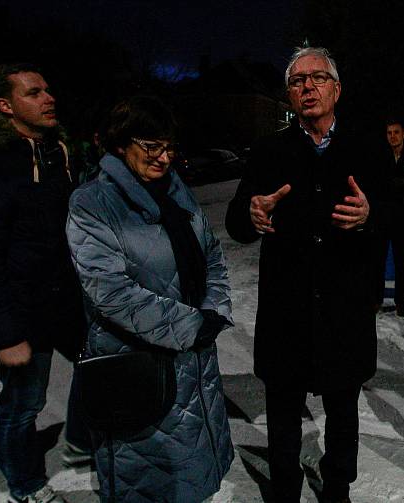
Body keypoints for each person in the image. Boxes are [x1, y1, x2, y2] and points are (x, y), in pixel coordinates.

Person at [225, 46, 376, 503]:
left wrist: (371, 213)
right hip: (286, 310)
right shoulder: (270, 150)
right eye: (296, 81)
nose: (307, 87)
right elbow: (236, 221)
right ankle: (285, 488)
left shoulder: (365, 147)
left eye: (317, 78)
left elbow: (396, 213)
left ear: (336, 89)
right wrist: (251, 214)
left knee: (342, 410)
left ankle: (337, 489)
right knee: (284, 412)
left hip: (343, 308)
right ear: (289, 95)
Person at [65, 95, 234, 502]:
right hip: (137, 364)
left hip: (196, 363)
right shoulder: (92, 203)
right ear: (121, 144)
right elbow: (111, 293)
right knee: (147, 482)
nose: (163, 157)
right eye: (151, 145)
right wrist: (192, 325)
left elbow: (211, 255)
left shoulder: (176, 191)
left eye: (169, 146)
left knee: (193, 475)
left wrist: (214, 308)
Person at [0, 63, 89, 503]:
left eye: (48, 89)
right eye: (34, 93)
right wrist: (4, 335)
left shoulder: (55, 153)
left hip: (67, 301)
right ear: (5, 106)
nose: (49, 98)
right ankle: (24, 487)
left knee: (100, 368)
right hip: (22, 310)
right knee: (23, 405)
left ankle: (83, 446)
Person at [373, 119, 404, 318]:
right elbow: (377, 182)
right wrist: (398, 186)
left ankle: (400, 303)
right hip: (383, 216)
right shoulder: (381, 156)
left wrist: (391, 184)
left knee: (402, 261)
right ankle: (376, 301)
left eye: (396, 132)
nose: (392, 136)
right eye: (389, 133)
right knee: (378, 261)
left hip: (402, 218)